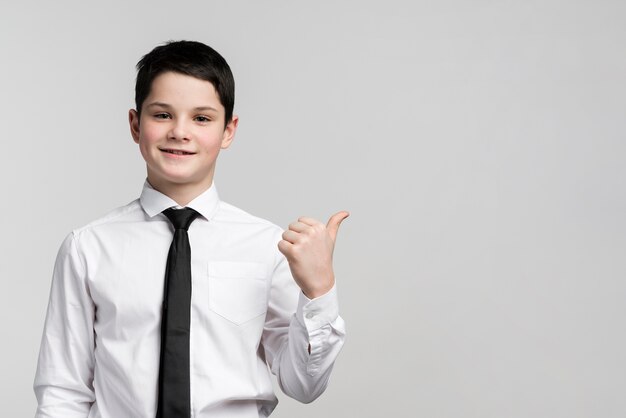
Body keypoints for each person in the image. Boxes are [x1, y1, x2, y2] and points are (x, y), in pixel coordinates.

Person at [34, 40, 348, 418]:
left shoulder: (267, 248)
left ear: (228, 131)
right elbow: (63, 392)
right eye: (162, 114)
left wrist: (319, 291)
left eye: (201, 118)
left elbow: (304, 384)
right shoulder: (88, 248)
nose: (180, 132)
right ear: (135, 125)